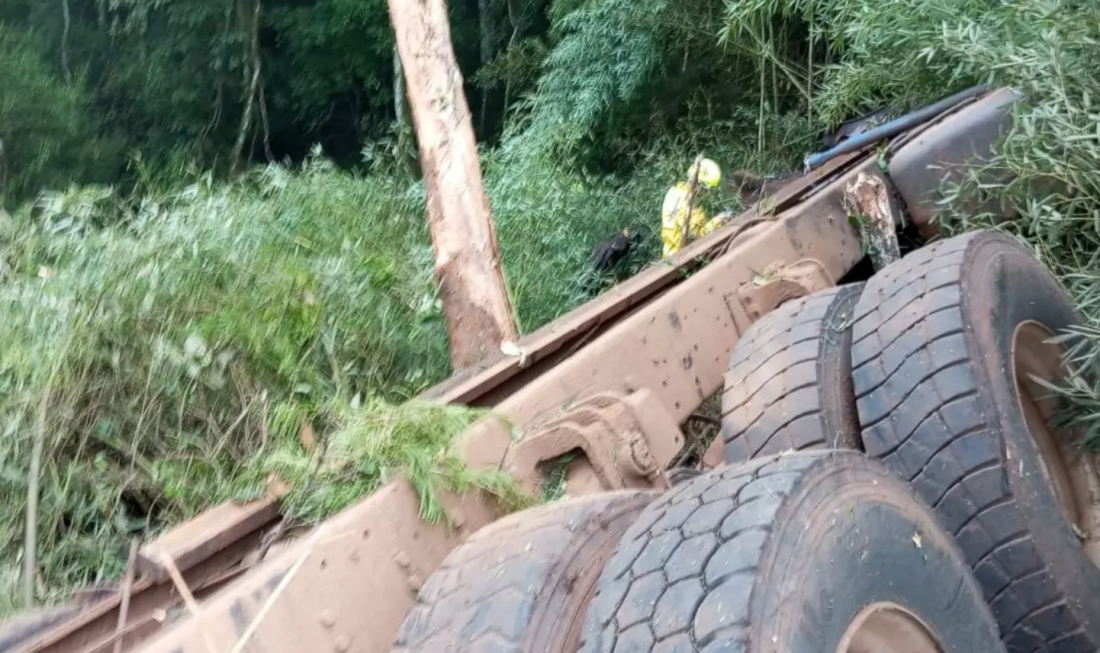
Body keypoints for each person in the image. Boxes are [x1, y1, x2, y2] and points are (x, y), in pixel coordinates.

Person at [661, 158, 725, 257]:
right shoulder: (690, 204)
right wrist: (717, 222)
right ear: (699, 185)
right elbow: (697, 238)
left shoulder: (674, 191)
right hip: (683, 257)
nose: (708, 194)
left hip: (669, 253)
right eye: (707, 190)